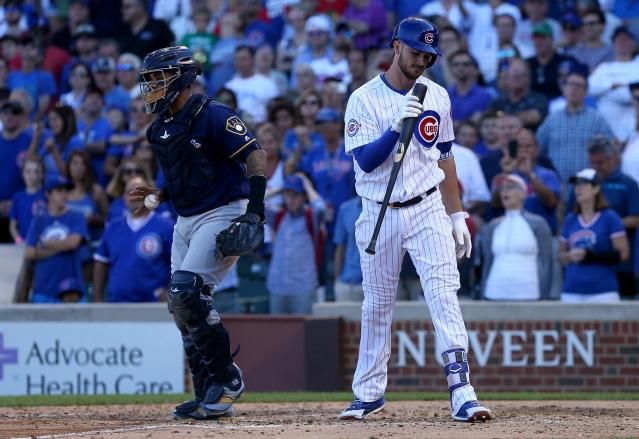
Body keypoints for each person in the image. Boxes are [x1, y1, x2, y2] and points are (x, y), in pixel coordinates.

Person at [338, 17, 491, 422]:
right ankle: (369, 393)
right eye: (416, 52)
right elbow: (368, 163)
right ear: (396, 46)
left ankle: (462, 390)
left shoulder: (437, 94)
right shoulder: (363, 98)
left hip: (426, 206)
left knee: (443, 295)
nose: (422, 60)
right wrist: (394, 128)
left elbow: (445, 155)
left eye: (428, 55)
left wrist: (456, 212)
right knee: (377, 305)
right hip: (378, 210)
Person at [130, 46, 267, 420]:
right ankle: (206, 389)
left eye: (158, 79)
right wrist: (159, 194)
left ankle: (226, 380)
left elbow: (255, 156)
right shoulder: (159, 127)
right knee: (180, 304)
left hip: (224, 210)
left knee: (186, 292)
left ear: (183, 77)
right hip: (186, 218)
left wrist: (255, 211)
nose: (152, 88)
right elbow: (184, 175)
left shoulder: (215, 114)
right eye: (150, 81)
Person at [94, 176, 173, 303]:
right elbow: (101, 262)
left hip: (153, 304)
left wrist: (170, 291)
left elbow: (180, 263)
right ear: (123, 198)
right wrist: (97, 298)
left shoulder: (167, 226)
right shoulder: (112, 228)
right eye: (130, 192)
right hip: (117, 303)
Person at [559, 168, 630, 302]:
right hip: (572, 290)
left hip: (603, 291)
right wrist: (569, 256)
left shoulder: (610, 217)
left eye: (583, 184)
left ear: (596, 188)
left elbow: (623, 254)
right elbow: (561, 256)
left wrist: (590, 255)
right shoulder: (570, 219)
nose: (578, 188)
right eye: (576, 184)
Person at [480, 174, 553, 300]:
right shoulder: (492, 226)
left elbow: (546, 263)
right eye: (502, 188)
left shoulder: (538, 223)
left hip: (528, 292)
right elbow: (487, 262)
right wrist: (483, 294)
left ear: (523, 193)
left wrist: (544, 296)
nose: (504, 191)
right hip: (494, 291)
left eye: (510, 187)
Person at [266, 174, 326, 313]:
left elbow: (321, 209)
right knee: (276, 332)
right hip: (277, 286)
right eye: (287, 195)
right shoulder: (278, 217)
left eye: (295, 195)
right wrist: (280, 189)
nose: (291, 200)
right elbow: (252, 202)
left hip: (303, 288)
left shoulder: (311, 217)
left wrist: (308, 187)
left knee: (303, 333)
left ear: (304, 197)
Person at [22, 176, 87, 303]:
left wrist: (45, 245)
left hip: (72, 292)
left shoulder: (77, 217)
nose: (64, 194)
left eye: (66, 191)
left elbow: (73, 243)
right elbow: (29, 252)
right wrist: (60, 247)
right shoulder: (39, 220)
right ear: (48, 194)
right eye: (59, 190)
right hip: (43, 290)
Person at [333, 195, 363, 301]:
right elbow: (340, 248)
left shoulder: (390, 207)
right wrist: (337, 281)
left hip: (381, 285)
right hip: (350, 283)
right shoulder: (346, 209)